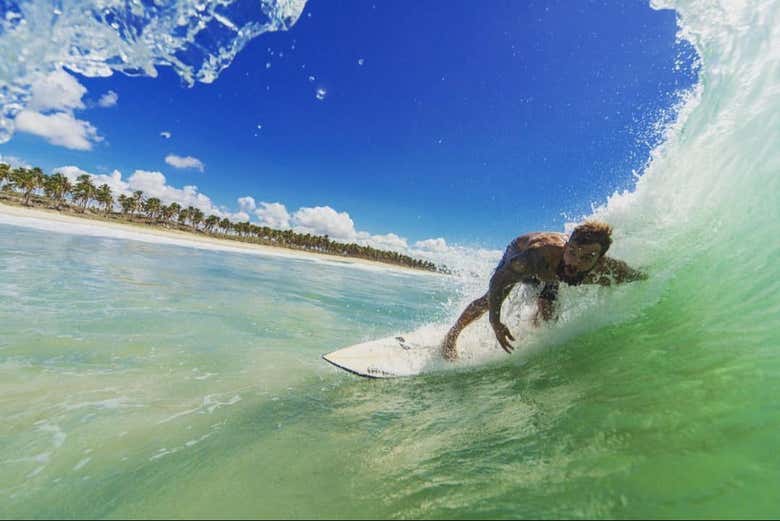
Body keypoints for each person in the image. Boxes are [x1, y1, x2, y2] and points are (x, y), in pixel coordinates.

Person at [442, 221, 646, 360]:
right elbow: (498, 281)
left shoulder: (608, 270)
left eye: (587, 258)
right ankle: (451, 337)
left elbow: (640, 276)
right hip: (521, 252)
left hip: (553, 272)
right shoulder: (537, 256)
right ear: (566, 246)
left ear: (599, 260)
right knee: (490, 300)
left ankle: (531, 337)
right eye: (572, 252)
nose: (575, 262)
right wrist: (495, 322)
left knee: (548, 312)